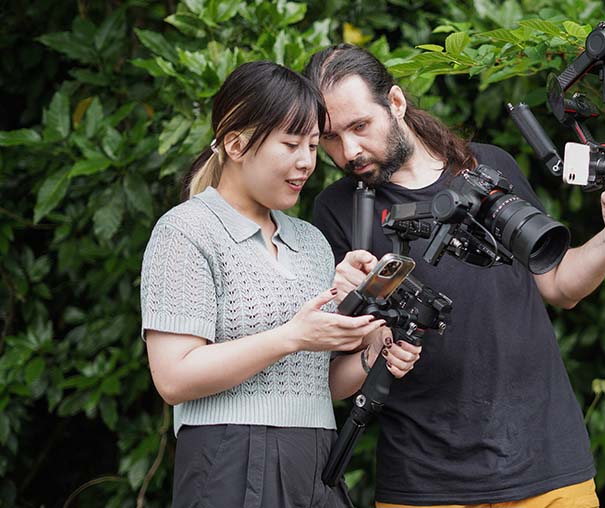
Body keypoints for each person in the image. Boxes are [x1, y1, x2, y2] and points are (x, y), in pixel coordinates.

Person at [304, 44, 605, 508]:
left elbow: (559, 285)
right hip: (425, 481)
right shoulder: (336, 209)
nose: (348, 150)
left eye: (359, 126)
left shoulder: (487, 167)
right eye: (330, 137)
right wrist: (362, 322)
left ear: (396, 103)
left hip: (545, 465)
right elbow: (331, 380)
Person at [139, 60, 423, 508]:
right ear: (235, 143)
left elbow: (318, 384)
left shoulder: (310, 241)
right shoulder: (187, 231)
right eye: (291, 145)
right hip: (228, 457)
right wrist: (291, 337)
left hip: (317, 459)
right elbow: (174, 377)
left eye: (313, 145)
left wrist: (374, 351)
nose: (307, 162)